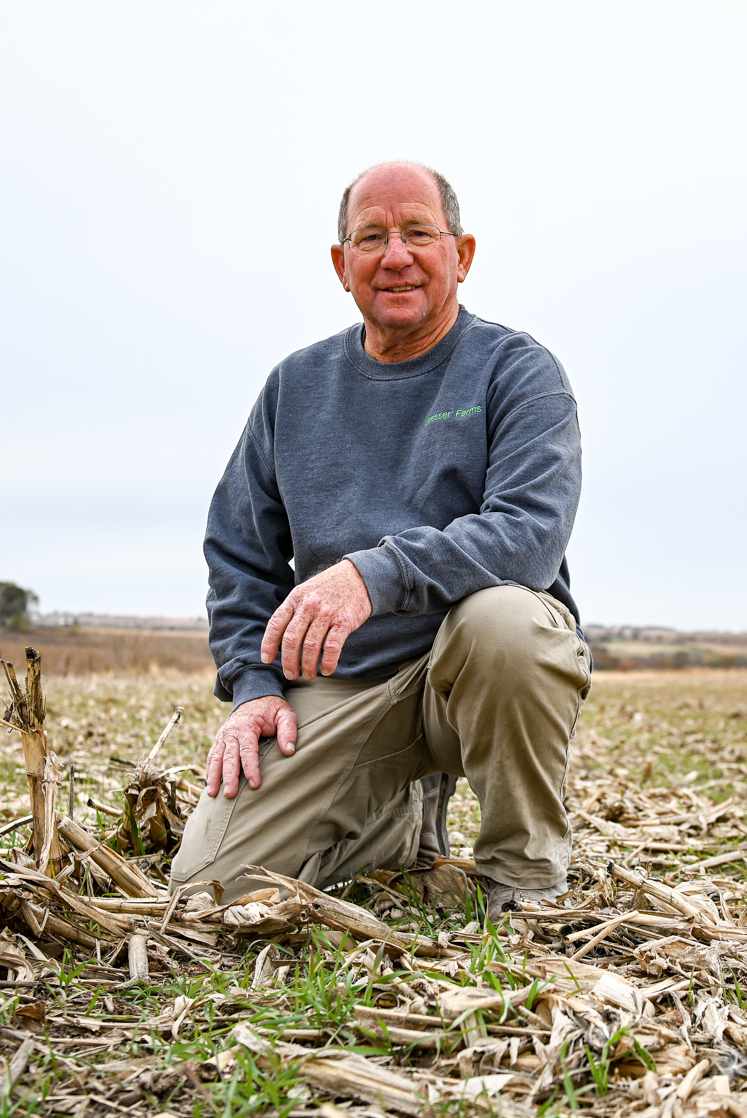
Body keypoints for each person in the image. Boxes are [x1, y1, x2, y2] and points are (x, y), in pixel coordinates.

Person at [170, 162, 590, 919]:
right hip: (348, 683)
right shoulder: (293, 388)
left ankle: (522, 881)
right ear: (342, 265)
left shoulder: (517, 372)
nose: (396, 255)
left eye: (419, 233)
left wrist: (372, 576)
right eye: (371, 237)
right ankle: (397, 824)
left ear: (460, 255)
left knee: (508, 624)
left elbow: (530, 535)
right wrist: (255, 689)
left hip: (473, 673)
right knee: (207, 893)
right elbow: (238, 553)